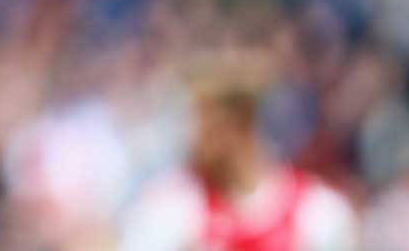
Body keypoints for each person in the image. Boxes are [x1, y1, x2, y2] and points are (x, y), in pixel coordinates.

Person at [118, 52, 358, 251]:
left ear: (234, 125)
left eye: (195, 121)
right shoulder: (170, 208)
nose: (185, 135)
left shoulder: (317, 213)